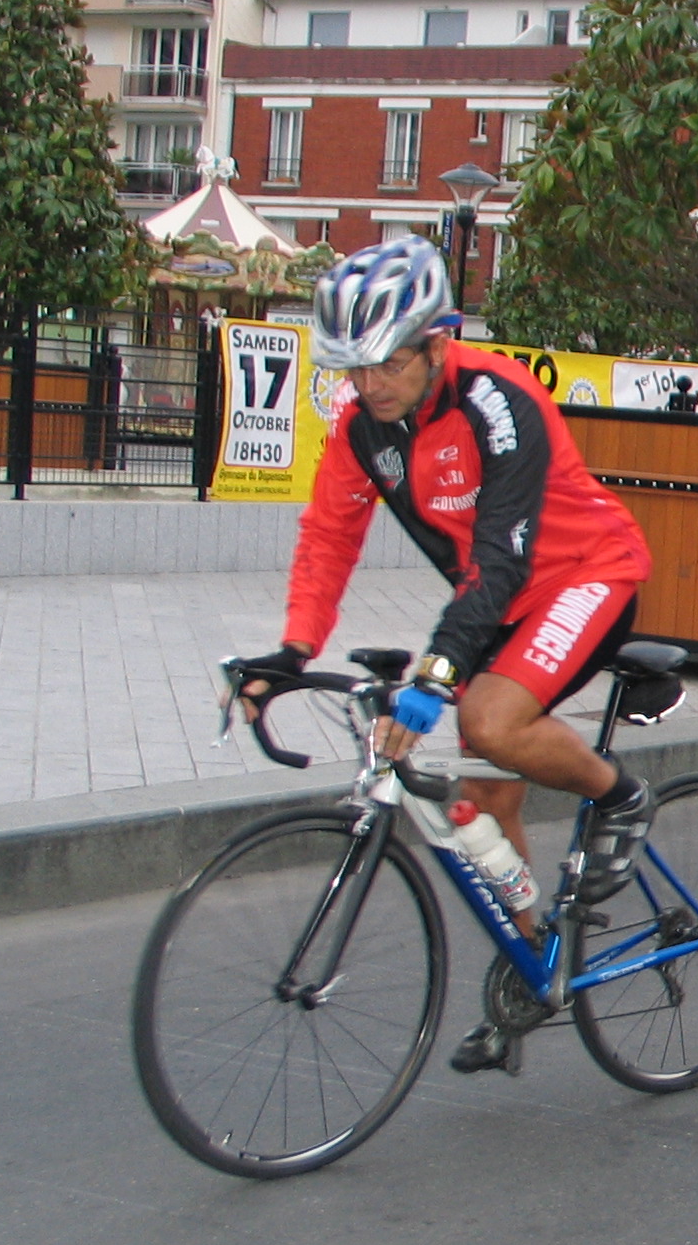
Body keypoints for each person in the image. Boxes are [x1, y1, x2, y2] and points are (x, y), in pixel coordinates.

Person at [234, 237, 659, 1076]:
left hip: (586, 574)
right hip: (495, 601)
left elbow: (501, 556)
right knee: (484, 802)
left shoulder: (499, 401)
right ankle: (535, 974)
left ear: (436, 343)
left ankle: (623, 798)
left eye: (388, 362)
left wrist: (437, 675)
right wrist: (292, 649)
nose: (370, 385)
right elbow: (327, 537)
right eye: (355, 368)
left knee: (489, 722)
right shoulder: (364, 430)